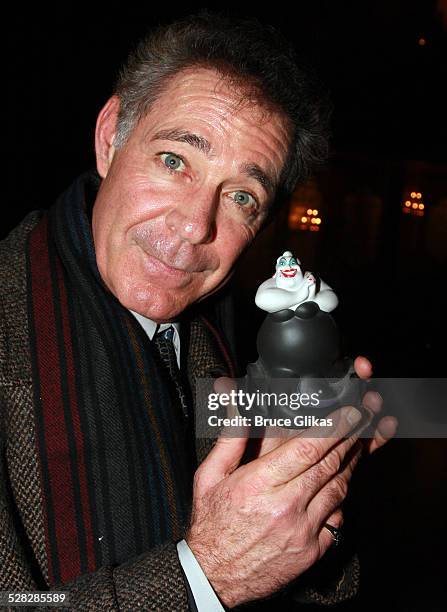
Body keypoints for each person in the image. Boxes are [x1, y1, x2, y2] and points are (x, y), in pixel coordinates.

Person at [0, 12, 397, 610]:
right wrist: (203, 577)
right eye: (174, 161)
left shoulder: (232, 344)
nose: (194, 226)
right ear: (111, 138)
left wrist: (303, 510)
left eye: (241, 196)